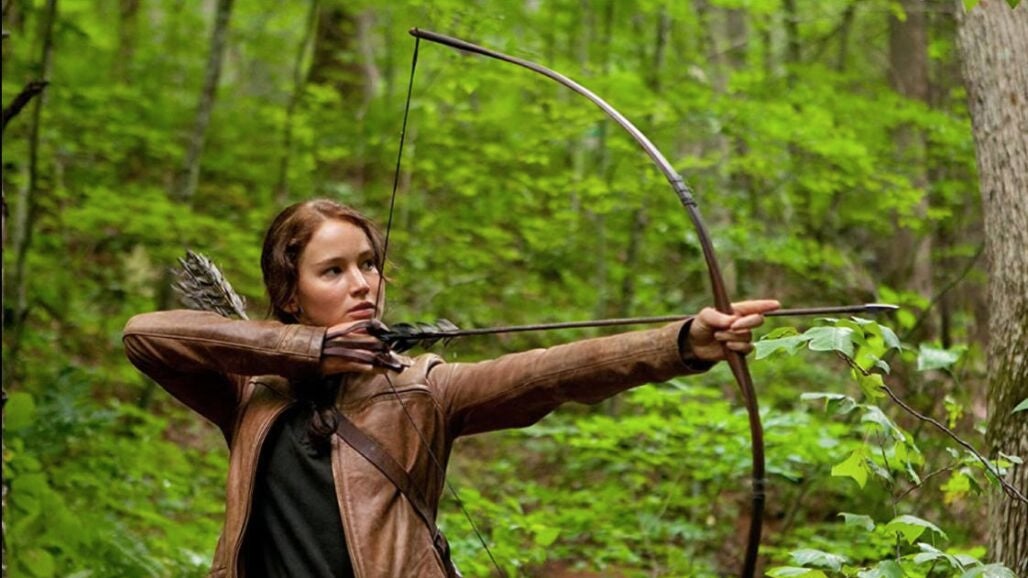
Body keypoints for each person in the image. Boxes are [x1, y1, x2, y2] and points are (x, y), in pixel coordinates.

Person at [123, 198, 780, 578]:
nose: (363, 283)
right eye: (334, 270)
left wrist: (680, 342)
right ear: (290, 295)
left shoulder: (421, 389)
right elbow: (144, 336)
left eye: (369, 264)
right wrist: (310, 351)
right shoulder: (250, 393)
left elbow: (551, 371)